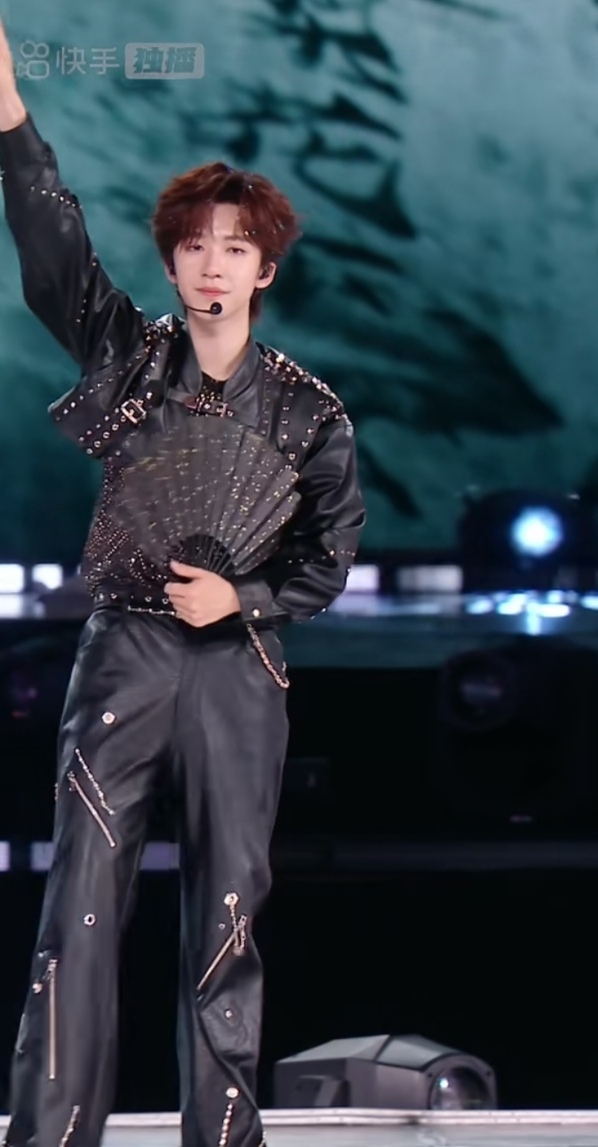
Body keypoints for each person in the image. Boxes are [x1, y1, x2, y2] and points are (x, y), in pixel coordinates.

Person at [0, 20, 365, 1147]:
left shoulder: (310, 413)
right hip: (125, 654)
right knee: (78, 912)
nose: (213, 263)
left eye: (235, 247)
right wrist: (11, 120)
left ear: (265, 268)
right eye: (195, 245)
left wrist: (242, 601)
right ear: (171, 264)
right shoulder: (129, 358)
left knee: (224, 920)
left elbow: (328, 556)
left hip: (238, 672)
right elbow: (55, 254)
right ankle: (51, 1132)